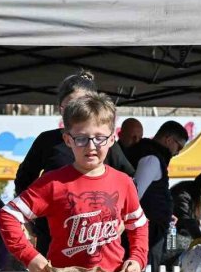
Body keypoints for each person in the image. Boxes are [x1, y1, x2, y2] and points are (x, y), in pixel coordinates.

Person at [0, 92, 148, 272]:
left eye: (99, 138)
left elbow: (138, 224)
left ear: (112, 139)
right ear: (68, 140)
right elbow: (8, 215)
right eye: (81, 138)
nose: (91, 146)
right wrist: (30, 256)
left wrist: (137, 259)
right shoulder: (52, 183)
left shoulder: (124, 182)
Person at [14, 71, 136, 256]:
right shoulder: (48, 140)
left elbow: (128, 180)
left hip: (98, 234)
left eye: (82, 105)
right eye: (69, 106)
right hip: (53, 230)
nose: (75, 113)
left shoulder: (105, 143)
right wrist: (30, 219)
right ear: (60, 109)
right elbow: (24, 178)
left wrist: (121, 218)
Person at [125, 120, 189, 272]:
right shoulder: (152, 158)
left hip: (148, 226)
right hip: (147, 230)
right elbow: (134, 195)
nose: (177, 152)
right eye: (178, 146)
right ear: (168, 139)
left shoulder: (149, 154)